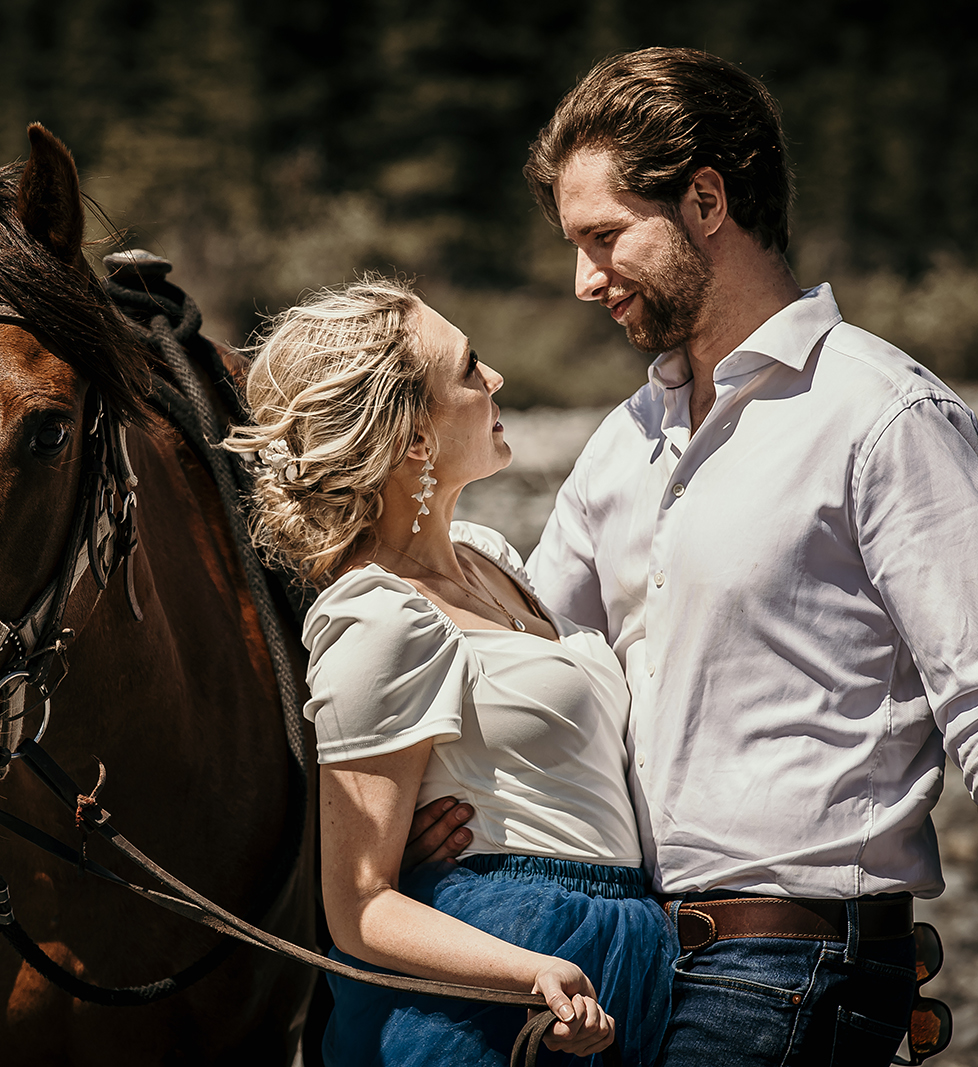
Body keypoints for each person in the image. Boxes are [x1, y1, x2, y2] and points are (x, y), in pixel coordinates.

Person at [409, 46, 978, 1066]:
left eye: (604, 237)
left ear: (705, 200)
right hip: (628, 953)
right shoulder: (625, 441)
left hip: (792, 967)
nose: (582, 280)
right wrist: (425, 801)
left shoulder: (881, 414)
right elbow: (532, 656)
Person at [224, 277, 677, 1066]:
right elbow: (357, 903)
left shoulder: (491, 558)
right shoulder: (377, 617)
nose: (496, 378)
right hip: (495, 991)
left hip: (618, 952)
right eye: (469, 367)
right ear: (414, 441)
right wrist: (528, 964)